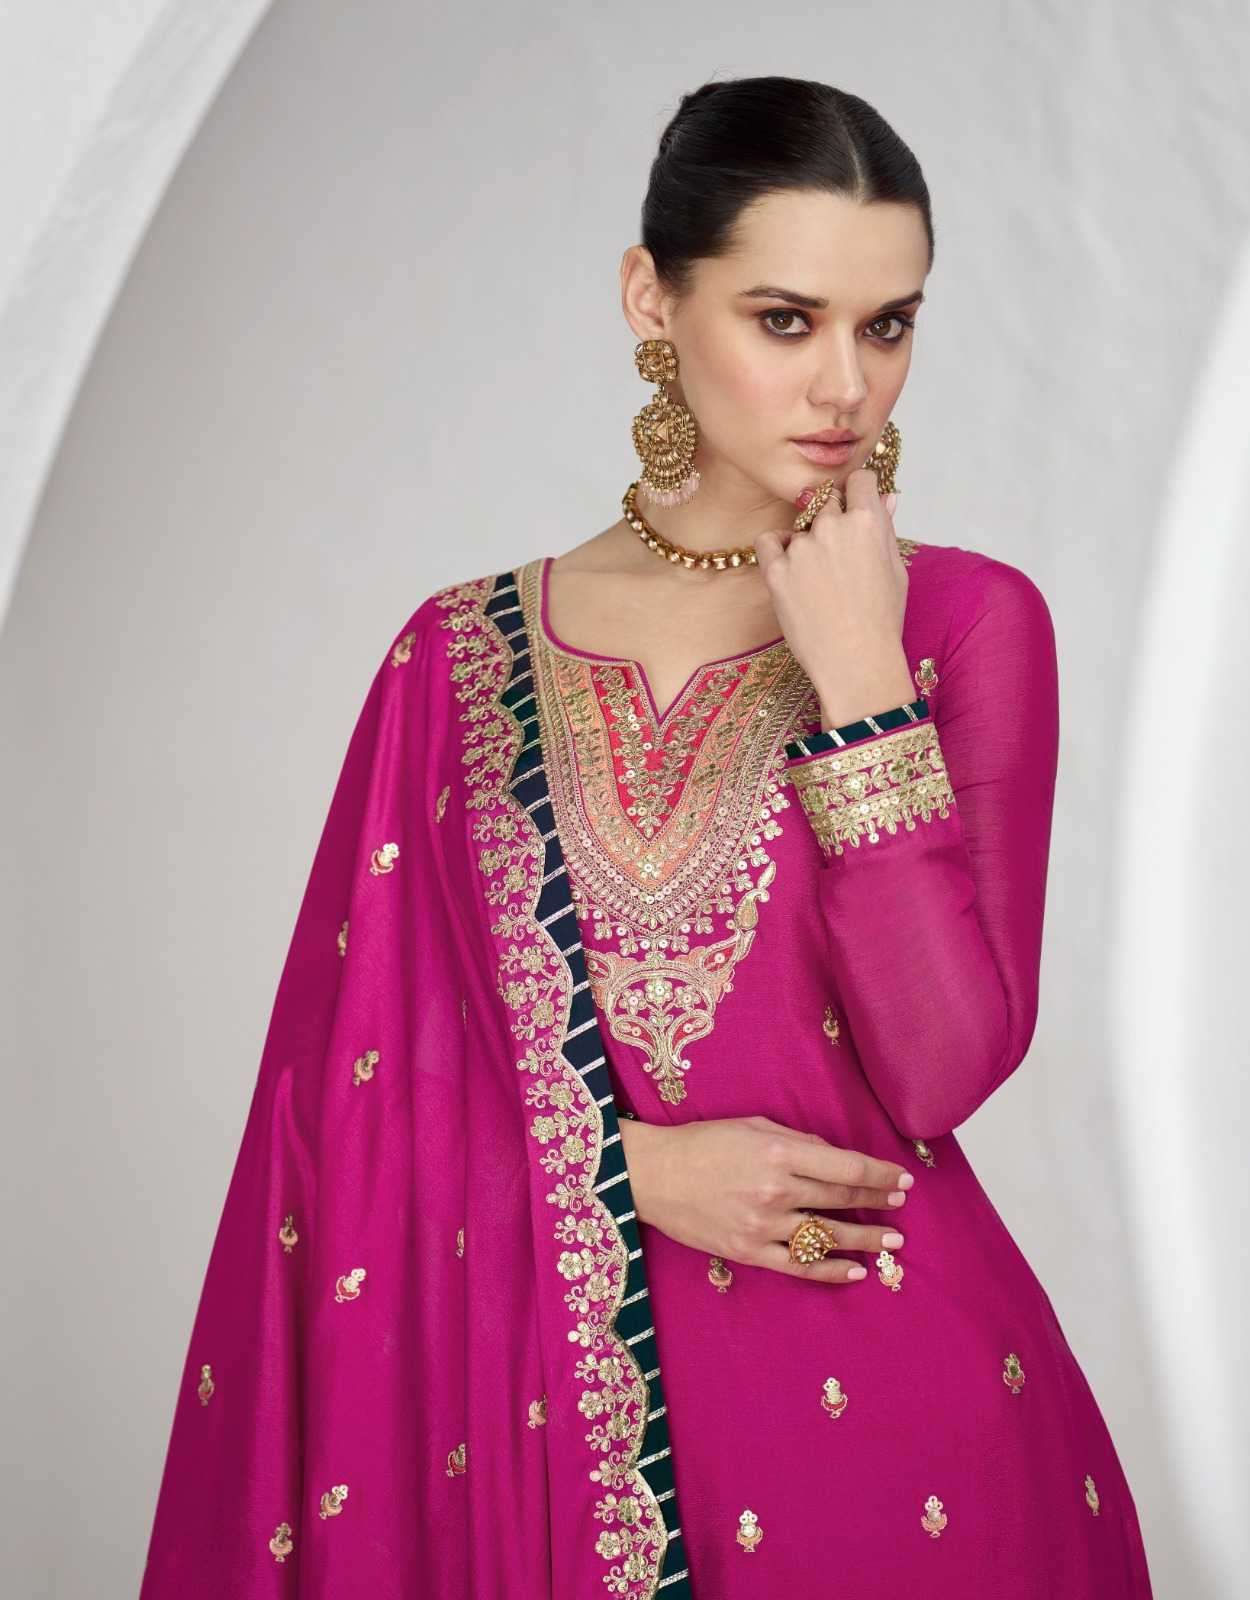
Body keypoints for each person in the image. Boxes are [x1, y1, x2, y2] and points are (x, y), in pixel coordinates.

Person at [139, 74, 1154, 1598]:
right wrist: (614, 1173)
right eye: (784, 319)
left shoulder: (962, 621)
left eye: (886, 326)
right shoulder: (458, 659)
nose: (845, 388)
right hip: (522, 1412)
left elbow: (942, 1068)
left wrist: (860, 686)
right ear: (650, 298)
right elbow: (333, 1104)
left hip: (904, 1432)